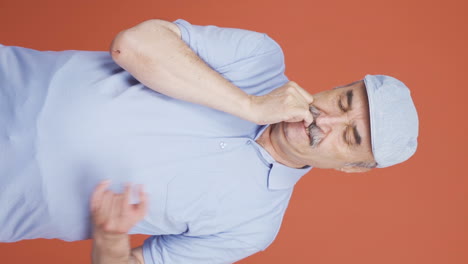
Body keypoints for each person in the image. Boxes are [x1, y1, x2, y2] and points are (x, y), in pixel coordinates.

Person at [0, 18, 419, 264]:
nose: (327, 120)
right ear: (336, 86)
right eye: (343, 100)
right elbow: (132, 46)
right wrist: (251, 106)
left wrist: (111, 240)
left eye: (349, 136)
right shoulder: (258, 57)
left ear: (352, 167)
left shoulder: (252, 226)